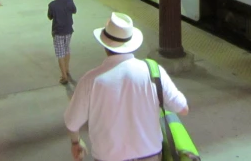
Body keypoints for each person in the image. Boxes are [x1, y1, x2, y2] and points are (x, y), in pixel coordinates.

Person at [64, 13, 189, 161]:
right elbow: (183, 109)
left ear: (105, 46)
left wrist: (76, 142)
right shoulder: (153, 72)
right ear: (131, 43)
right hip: (150, 156)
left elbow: (72, 123)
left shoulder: (89, 81)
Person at [48, 0, 77, 85]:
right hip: (69, 30)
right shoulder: (70, 2)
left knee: (60, 53)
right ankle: (67, 69)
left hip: (58, 31)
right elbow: (74, 11)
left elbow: (50, 17)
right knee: (67, 49)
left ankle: (64, 76)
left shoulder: (52, 5)